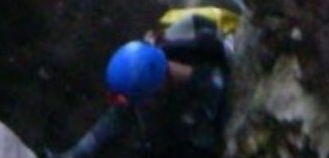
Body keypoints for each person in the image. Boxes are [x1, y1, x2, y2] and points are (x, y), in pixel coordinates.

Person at [45, 12, 233, 158]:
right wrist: (79, 152)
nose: (142, 105)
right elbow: (116, 116)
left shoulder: (200, 52)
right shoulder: (154, 69)